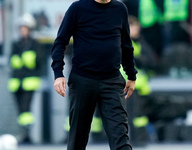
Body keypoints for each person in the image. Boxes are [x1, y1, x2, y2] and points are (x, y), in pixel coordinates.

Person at [51, 0, 138, 149]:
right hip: (82, 81)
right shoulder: (78, 8)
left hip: (112, 81)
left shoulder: (119, 9)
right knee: (77, 140)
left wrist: (131, 74)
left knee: (121, 138)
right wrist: (58, 74)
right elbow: (60, 42)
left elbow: (126, 45)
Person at [8, 14, 42, 143]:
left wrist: (25, 60)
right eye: (21, 28)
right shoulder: (16, 44)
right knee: (20, 109)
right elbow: (13, 61)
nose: (23, 30)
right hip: (16, 82)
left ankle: (27, 133)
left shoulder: (35, 44)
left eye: (25, 28)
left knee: (26, 107)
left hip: (30, 82)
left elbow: (38, 61)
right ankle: (24, 132)